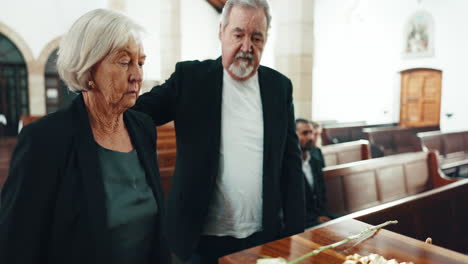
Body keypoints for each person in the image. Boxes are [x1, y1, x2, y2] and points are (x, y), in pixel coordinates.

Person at [133, 0, 304, 262]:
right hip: (197, 241)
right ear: (221, 32)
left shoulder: (279, 87)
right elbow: (137, 115)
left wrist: (295, 236)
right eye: (238, 34)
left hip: (262, 237)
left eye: (256, 38)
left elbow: (290, 165)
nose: (247, 47)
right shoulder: (190, 78)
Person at [0, 9, 170, 264]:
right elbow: (16, 244)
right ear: (89, 70)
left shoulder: (142, 127)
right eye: (124, 62)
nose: (137, 75)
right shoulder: (44, 141)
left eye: (141, 62)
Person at [295, 118, 332, 228]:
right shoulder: (287, 165)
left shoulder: (315, 158)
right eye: (304, 133)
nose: (310, 137)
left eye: (311, 132)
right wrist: (314, 219)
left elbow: (321, 191)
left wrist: (322, 214)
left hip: (320, 215)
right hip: (302, 221)